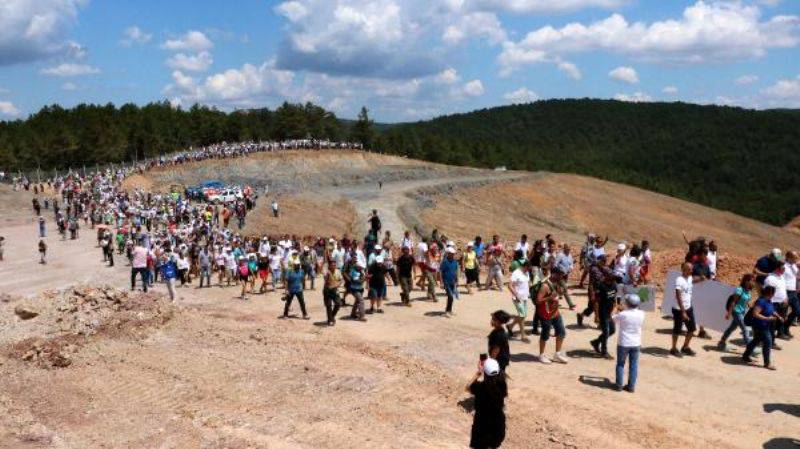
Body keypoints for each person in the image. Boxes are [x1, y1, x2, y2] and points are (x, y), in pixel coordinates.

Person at [467, 358, 507, 449]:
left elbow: (467, 387)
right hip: (498, 426)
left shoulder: (480, 388)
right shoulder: (502, 385)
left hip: (482, 428)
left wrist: (478, 372)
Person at [742, 285, 781, 370]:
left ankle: (745, 356)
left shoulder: (769, 301)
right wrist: (768, 318)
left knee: (755, 341)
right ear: (770, 293)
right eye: (773, 293)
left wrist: (778, 316)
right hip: (759, 325)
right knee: (768, 342)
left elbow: (772, 310)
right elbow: (755, 314)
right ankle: (767, 364)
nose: (774, 295)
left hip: (764, 325)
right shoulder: (761, 301)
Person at [613, 294, 645, 393]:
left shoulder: (623, 314)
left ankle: (619, 385)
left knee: (620, 364)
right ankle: (631, 387)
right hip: (636, 343)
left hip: (624, 342)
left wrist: (616, 308)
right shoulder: (642, 313)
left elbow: (613, 318)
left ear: (627, 303)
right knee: (634, 365)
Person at [536, 268, 568, 364]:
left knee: (561, 332)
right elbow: (538, 300)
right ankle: (541, 355)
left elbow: (560, 294)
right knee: (545, 335)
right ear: (554, 274)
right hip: (545, 314)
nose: (561, 277)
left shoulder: (557, 284)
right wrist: (549, 297)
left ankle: (557, 354)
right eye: (560, 275)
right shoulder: (545, 286)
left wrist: (561, 290)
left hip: (555, 313)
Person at [718, 274, 754, 351]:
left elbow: (745, 303)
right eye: (751, 280)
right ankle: (750, 348)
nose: (753, 282)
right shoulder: (739, 290)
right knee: (745, 329)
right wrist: (729, 313)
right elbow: (733, 302)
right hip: (736, 311)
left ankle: (722, 342)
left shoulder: (748, 292)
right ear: (746, 281)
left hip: (742, 312)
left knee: (732, 328)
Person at [671, 262, 697, 357]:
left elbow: (693, 280)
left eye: (691, 269)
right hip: (679, 309)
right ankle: (673, 349)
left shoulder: (690, 278)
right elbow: (678, 296)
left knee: (692, 329)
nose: (691, 270)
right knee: (677, 330)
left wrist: (702, 278)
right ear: (683, 270)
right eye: (689, 269)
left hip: (688, 308)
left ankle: (685, 347)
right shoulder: (679, 280)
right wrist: (683, 312)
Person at [590, 268, 617, 359]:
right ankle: (604, 352)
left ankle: (596, 342)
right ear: (606, 276)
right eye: (610, 275)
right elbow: (596, 302)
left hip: (609, 312)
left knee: (612, 330)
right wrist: (596, 315)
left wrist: (614, 309)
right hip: (602, 312)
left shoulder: (614, 285)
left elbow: (614, 298)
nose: (612, 277)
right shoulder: (601, 286)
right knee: (606, 332)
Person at [764, 265, 789, 343]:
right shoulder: (770, 278)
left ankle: (775, 337)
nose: (785, 270)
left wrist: (786, 298)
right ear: (777, 268)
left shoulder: (782, 277)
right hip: (773, 303)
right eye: (783, 268)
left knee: (780, 322)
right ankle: (771, 342)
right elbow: (767, 292)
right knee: (772, 324)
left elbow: (783, 289)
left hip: (782, 303)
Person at [440, 247, 460, 316]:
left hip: (453, 282)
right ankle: (447, 311)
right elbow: (440, 272)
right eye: (451, 254)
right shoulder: (445, 262)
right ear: (448, 254)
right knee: (451, 296)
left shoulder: (455, 262)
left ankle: (449, 310)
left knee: (450, 297)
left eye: (453, 254)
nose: (452, 255)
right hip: (446, 282)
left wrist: (457, 281)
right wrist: (441, 282)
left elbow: (455, 272)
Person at [322, 260, 342, 325]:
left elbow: (341, 280)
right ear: (329, 266)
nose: (333, 266)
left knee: (338, 304)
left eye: (334, 265)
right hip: (327, 290)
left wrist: (337, 284)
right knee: (329, 305)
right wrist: (328, 275)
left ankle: (331, 317)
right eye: (332, 265)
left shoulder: (338, 271)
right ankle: (330, 319)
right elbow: (326, 280)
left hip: (335, 290)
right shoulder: (326, 272)